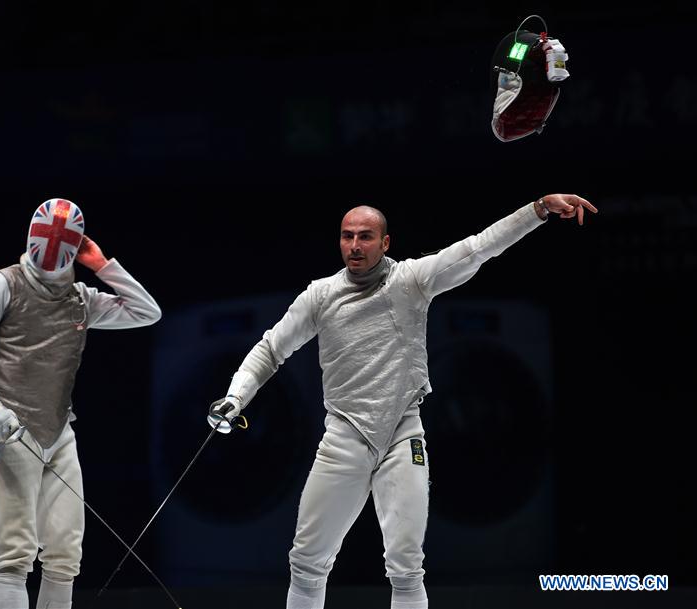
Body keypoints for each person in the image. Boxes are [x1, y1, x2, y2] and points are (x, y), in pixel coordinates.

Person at [207, 195, 597, 609]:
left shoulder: (413, 280)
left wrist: (536, 210)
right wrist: (236, 397)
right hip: (343, 437)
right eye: (347, 236)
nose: (355, 245)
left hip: (402, 435)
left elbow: (480, 246)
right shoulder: (320, 296)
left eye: (365, 237)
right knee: (306, 563)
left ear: (386, 242)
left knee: (407, 566)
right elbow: (271, 348)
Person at [0, 198, 161, 609]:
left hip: (59, 434)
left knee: (65, 555)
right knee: (15, 554)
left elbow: (146, 312)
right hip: (6, 434)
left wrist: (103, 266)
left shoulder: (82, 299)